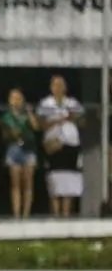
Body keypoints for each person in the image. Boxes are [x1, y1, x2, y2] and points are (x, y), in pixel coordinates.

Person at [38, 75, 85, 218]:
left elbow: (83, 121)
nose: (58, 88)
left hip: (71, 144)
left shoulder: (72, 103)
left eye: (61, 85)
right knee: (54, 178)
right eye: (55, 85)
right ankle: (56, 214)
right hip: (53, 144)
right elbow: (41, 125)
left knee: (69, 179)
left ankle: (66, 214)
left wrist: (74, 118)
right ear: (51, 87)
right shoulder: (45, 103)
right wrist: (61, 119)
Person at [1, 88, 40, 220]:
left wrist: (29, 113)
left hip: (29, 149)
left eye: (19, 98)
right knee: (16, 183)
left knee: (28, 182)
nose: (16, 101)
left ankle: (26, 214)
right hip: (13, 149)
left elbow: (36, 127)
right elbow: (5, 133)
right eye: (13, 98)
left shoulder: (27, 114)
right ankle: (17, 214)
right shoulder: (6, 116)